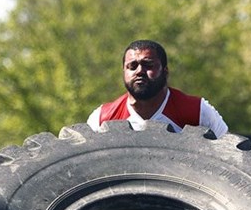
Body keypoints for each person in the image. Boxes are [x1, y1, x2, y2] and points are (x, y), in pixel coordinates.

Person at [87, 39, 228, 138]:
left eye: (148, 65)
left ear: (165, 71)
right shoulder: (103, 118)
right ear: (124, 71)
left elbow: (229, 154)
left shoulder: (197, 111)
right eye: (132, 66)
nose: (140, 71)